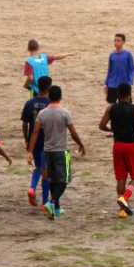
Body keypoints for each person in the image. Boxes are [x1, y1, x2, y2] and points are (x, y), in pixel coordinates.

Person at [31, 85, 86, 220]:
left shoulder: (42, 113)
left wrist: (30, 150)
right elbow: (73, 132)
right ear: (61, 97)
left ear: (49, 96)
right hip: (62, 150)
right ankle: (53, 202)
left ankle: (55, 209)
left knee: (53, 179)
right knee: (64, 180)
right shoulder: (64, 113)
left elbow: (35, 132)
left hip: (47, 151)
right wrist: (81, 144)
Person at [98, 83, 134, 218]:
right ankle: (124, 197)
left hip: (117, 145)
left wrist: (112, 130)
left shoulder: (111, 108)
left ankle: (123, 210)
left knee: (121, 178)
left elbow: (101, 126)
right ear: (130, 94)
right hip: (131, 145)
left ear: (118, 95)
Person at [21, 75, 52, 209]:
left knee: (38, 167)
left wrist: (27, 140)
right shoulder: (50, 103)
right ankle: (45, 202)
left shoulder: (29, 103)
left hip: (34, 140)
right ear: (49, 87)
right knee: (46, 172)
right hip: (47, 140)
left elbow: (24, 124)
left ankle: (32, 188)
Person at [103, 33, 134, 105]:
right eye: (115, 40)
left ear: (123, 42)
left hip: (124, 85)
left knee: (126, 106)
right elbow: (109, 70)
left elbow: (132, 69)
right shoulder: (112, 55)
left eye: (118, 41)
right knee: (111, 106)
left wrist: (130, 82)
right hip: (112, 85)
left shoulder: (128, 54)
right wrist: (106, 84)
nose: (116, 42)